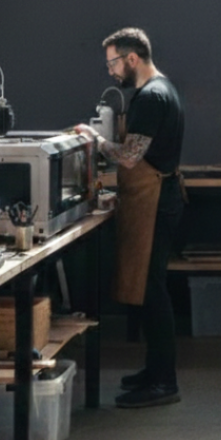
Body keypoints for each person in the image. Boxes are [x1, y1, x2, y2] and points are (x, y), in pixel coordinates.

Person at [76, 27, 185, 409]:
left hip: (156, 200)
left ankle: (164, 382)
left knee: (153, 289)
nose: (110, 71)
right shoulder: (162, 88)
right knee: (148, 287)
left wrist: (93, 138)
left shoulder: (151, 97)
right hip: (159, 195)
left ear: (132, 58)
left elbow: (129, 157)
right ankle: (154, 371)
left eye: (112, 62)